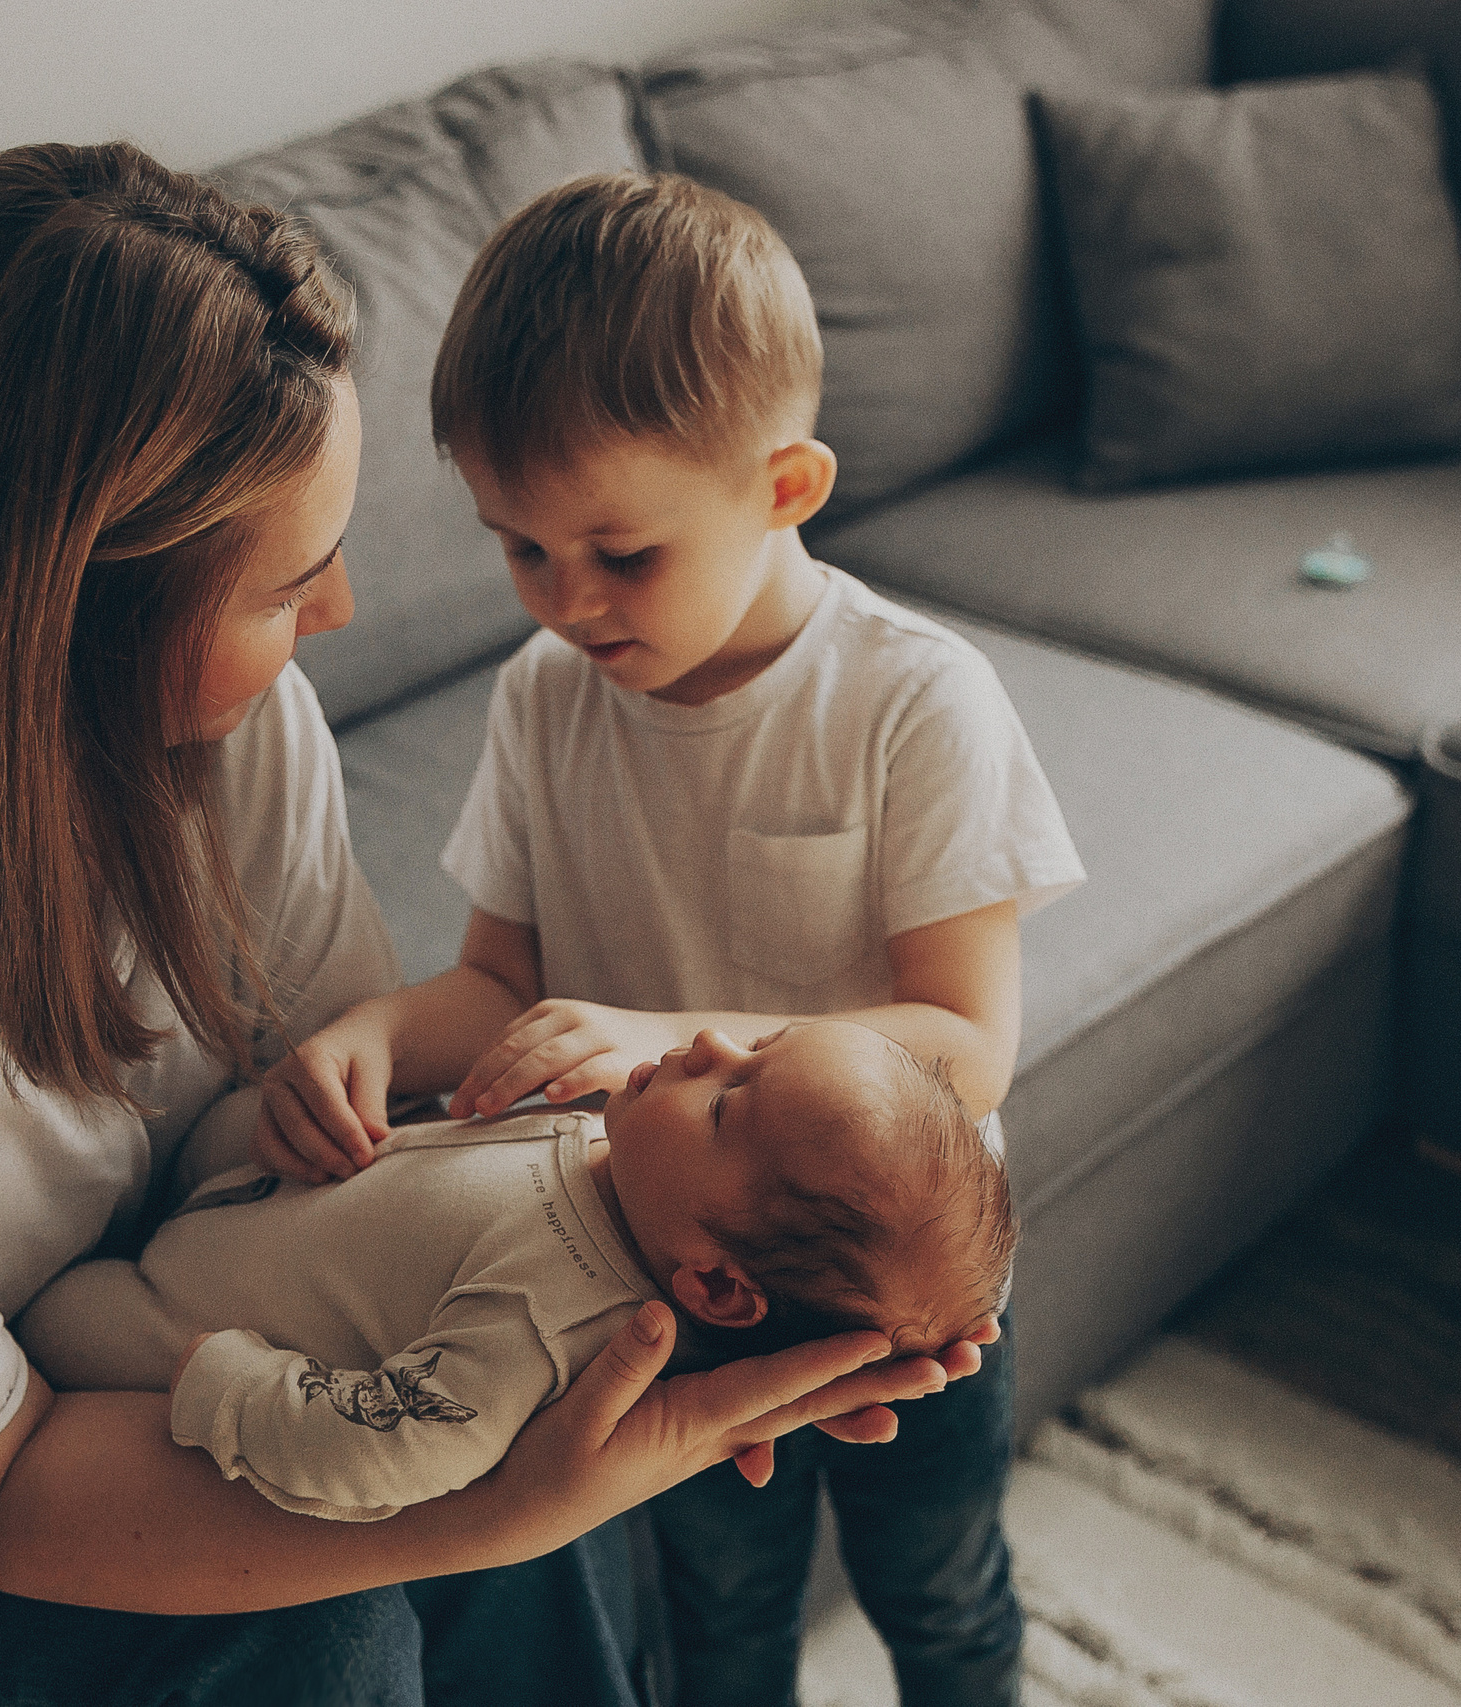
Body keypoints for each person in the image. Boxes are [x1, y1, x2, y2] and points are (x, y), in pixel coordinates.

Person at [0, 144, 967, 1707]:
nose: (336, 615)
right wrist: (494, 1502)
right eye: (287, 586)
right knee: (322, 1623)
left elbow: (333, 1128)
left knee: (545, 1367)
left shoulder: (208, 717)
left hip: (68, 1302)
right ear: (60, 613)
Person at [257, 171, 1085, 1707]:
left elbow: (966, 1040)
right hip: (652, 1261)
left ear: (785, 484)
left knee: (943, 1587)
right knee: (713, 1609)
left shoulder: (913, 697)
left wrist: (663, 1029)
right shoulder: (546, 694)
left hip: (894, 1264)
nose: (567, 602)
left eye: (623, 554)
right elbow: (500, 980)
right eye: (520, 548)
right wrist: (370, 1032)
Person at [20, 1019, 1015, 1523]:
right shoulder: (625, 1154)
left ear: (713, 1286)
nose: (707, 1039)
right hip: (271, 1186)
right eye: (755, 1046)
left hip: (180, 1316)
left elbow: (401, 1449)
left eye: (727, 1101)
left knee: (53, 1310)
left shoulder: (551, 1321)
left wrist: (226, 1385)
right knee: (221, 1122)